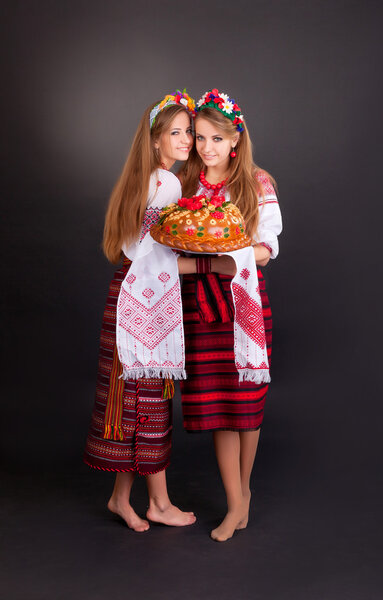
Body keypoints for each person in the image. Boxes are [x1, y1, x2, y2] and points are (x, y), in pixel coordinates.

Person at [84, 90, 197, 532]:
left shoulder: (143, 177)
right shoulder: (166, 183)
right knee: (147, 402)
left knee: (132, 401)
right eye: (176, 132)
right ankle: (160, 504)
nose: (187, 139)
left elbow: (136, 251)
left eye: (188, 131)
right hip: (143, 302)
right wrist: (220, 262)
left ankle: (120, 499)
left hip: (126, 295)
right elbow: (158, 257)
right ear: (155, 140)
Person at [177, 89, 283, 541]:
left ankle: (243, 494)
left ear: (234, 139)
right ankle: (236, 500)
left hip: (244, 302)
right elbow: (171, 238)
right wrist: (209, 256)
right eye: (200, 138)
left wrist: (230, 255)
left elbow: (266, 250)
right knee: (220, 405)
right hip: (201, 304)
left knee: (246, 405)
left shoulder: (257, 183)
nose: (206, 148)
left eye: (216, 139)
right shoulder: (184, 184)